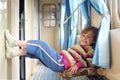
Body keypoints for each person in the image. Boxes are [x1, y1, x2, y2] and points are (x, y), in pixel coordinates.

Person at [5, 26, 98, 74]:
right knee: (36, 52)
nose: (84, 38)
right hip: (60, 59)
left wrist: (78, 65)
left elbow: (89, 62)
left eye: (88, 37)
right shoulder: (80, 46)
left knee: (41, 45)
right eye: (83, 36)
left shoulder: (90, 50)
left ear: (93, 41)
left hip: (60, 63)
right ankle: (13, 53)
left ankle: (14, 42)